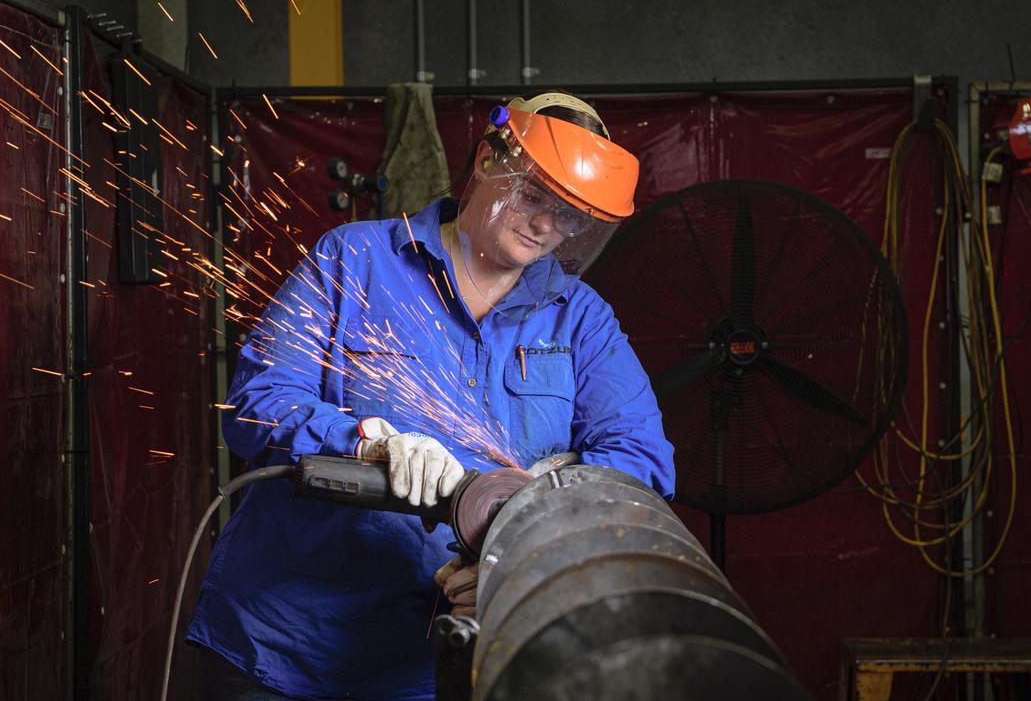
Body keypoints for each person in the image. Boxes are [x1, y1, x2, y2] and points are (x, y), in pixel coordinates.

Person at [186, 91, 675, 700]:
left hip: (444, 662)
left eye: (571, 214)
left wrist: (523, 528)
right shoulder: (355, 260)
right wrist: (364, 442)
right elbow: (258, 400)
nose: (548, 226)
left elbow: (643, 463)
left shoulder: (579, 319)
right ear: (488, 163)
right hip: (285, 647)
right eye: (533, 196)